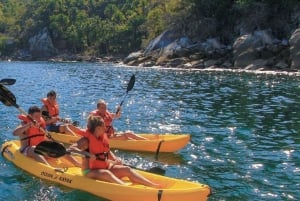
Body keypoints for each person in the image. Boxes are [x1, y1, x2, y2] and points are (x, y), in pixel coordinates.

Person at [68, 115, 161, 188]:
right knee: (106, 173)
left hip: (106, 167)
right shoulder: (86, 140)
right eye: (103, 125)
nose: (105, 127)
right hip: (89, 171)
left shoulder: (102, 137)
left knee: (127, 169)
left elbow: (107, 152)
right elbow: (71, 149)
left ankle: (152, 185)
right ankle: (125, 188)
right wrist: (87, 154)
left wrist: (116, 159)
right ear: (98, 128)